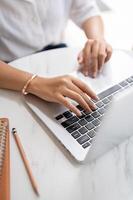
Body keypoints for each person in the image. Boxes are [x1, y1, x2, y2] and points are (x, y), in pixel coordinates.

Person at [0, 0, 112, 116]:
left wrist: (97, 40)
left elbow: (87, 10)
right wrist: (35, 83)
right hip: (10, 72)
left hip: (58, 55)